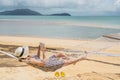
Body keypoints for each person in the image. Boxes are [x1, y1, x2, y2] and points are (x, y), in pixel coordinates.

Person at [14, 43, 87, 71]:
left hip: (46, 63)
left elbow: (38, 57)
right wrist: (44, 53)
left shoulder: (27, 58)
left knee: (60, 53)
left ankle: (73, 61)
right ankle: (82, 58)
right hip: (48, 66)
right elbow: (43, 63)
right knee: (66, 62)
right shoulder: (31, 60)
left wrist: (39, 49)